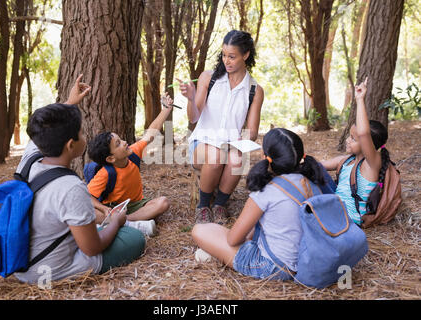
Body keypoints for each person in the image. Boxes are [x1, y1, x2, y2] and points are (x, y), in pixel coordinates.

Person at [14, 75, 145, 284]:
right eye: (81, 133)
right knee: (135, 239)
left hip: (19, 263)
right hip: (51, 270)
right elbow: (92, 248)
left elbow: (41, 130)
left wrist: (70, 102)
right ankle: (126, 224)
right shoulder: (71, 187)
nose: (85, 136)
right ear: (70, 145)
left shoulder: (30, 160)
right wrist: (116, 222)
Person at [191, 128, 326, 280]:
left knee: (200, 230)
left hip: (272, 266)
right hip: (306, 261)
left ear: (265, 157)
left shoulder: (266, 190)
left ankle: (218, 254)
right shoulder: (311, 183)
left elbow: (233, 240)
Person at [179, 30, 264, 224]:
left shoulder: (254, 90)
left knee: (236, 160)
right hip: (202, 145)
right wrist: (191, 99)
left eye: (232, 56)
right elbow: (194, 118)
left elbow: (252, 131)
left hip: (231, 145)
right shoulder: (209, 78)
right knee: (216, 156)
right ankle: (203, 206)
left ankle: (219, 205)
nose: (227, 61)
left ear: (246, 55)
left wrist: (241, 141)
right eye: (224, 55)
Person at [87, 94, 173, 237]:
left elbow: (152, 132)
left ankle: (125, 222)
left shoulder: (133, 153)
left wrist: (166, 109)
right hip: (112, 208)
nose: (125, 142)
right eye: (118, 144)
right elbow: (88, 196)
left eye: (120, 139)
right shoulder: (106, 173)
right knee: (90, 213)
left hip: (136, 205)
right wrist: (103, 208)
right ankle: (124, 221)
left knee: (163, 203)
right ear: (110, 158)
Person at [321, 77, 390, 225]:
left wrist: (360, 99)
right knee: (311, 170)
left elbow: (364, 133)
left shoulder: (371, 165)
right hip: (334, 210)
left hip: (349, 221)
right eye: (349, 136)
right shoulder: (347, 160)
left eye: (353, 138)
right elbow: (319, 165)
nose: (347, 140)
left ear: (368, 144)